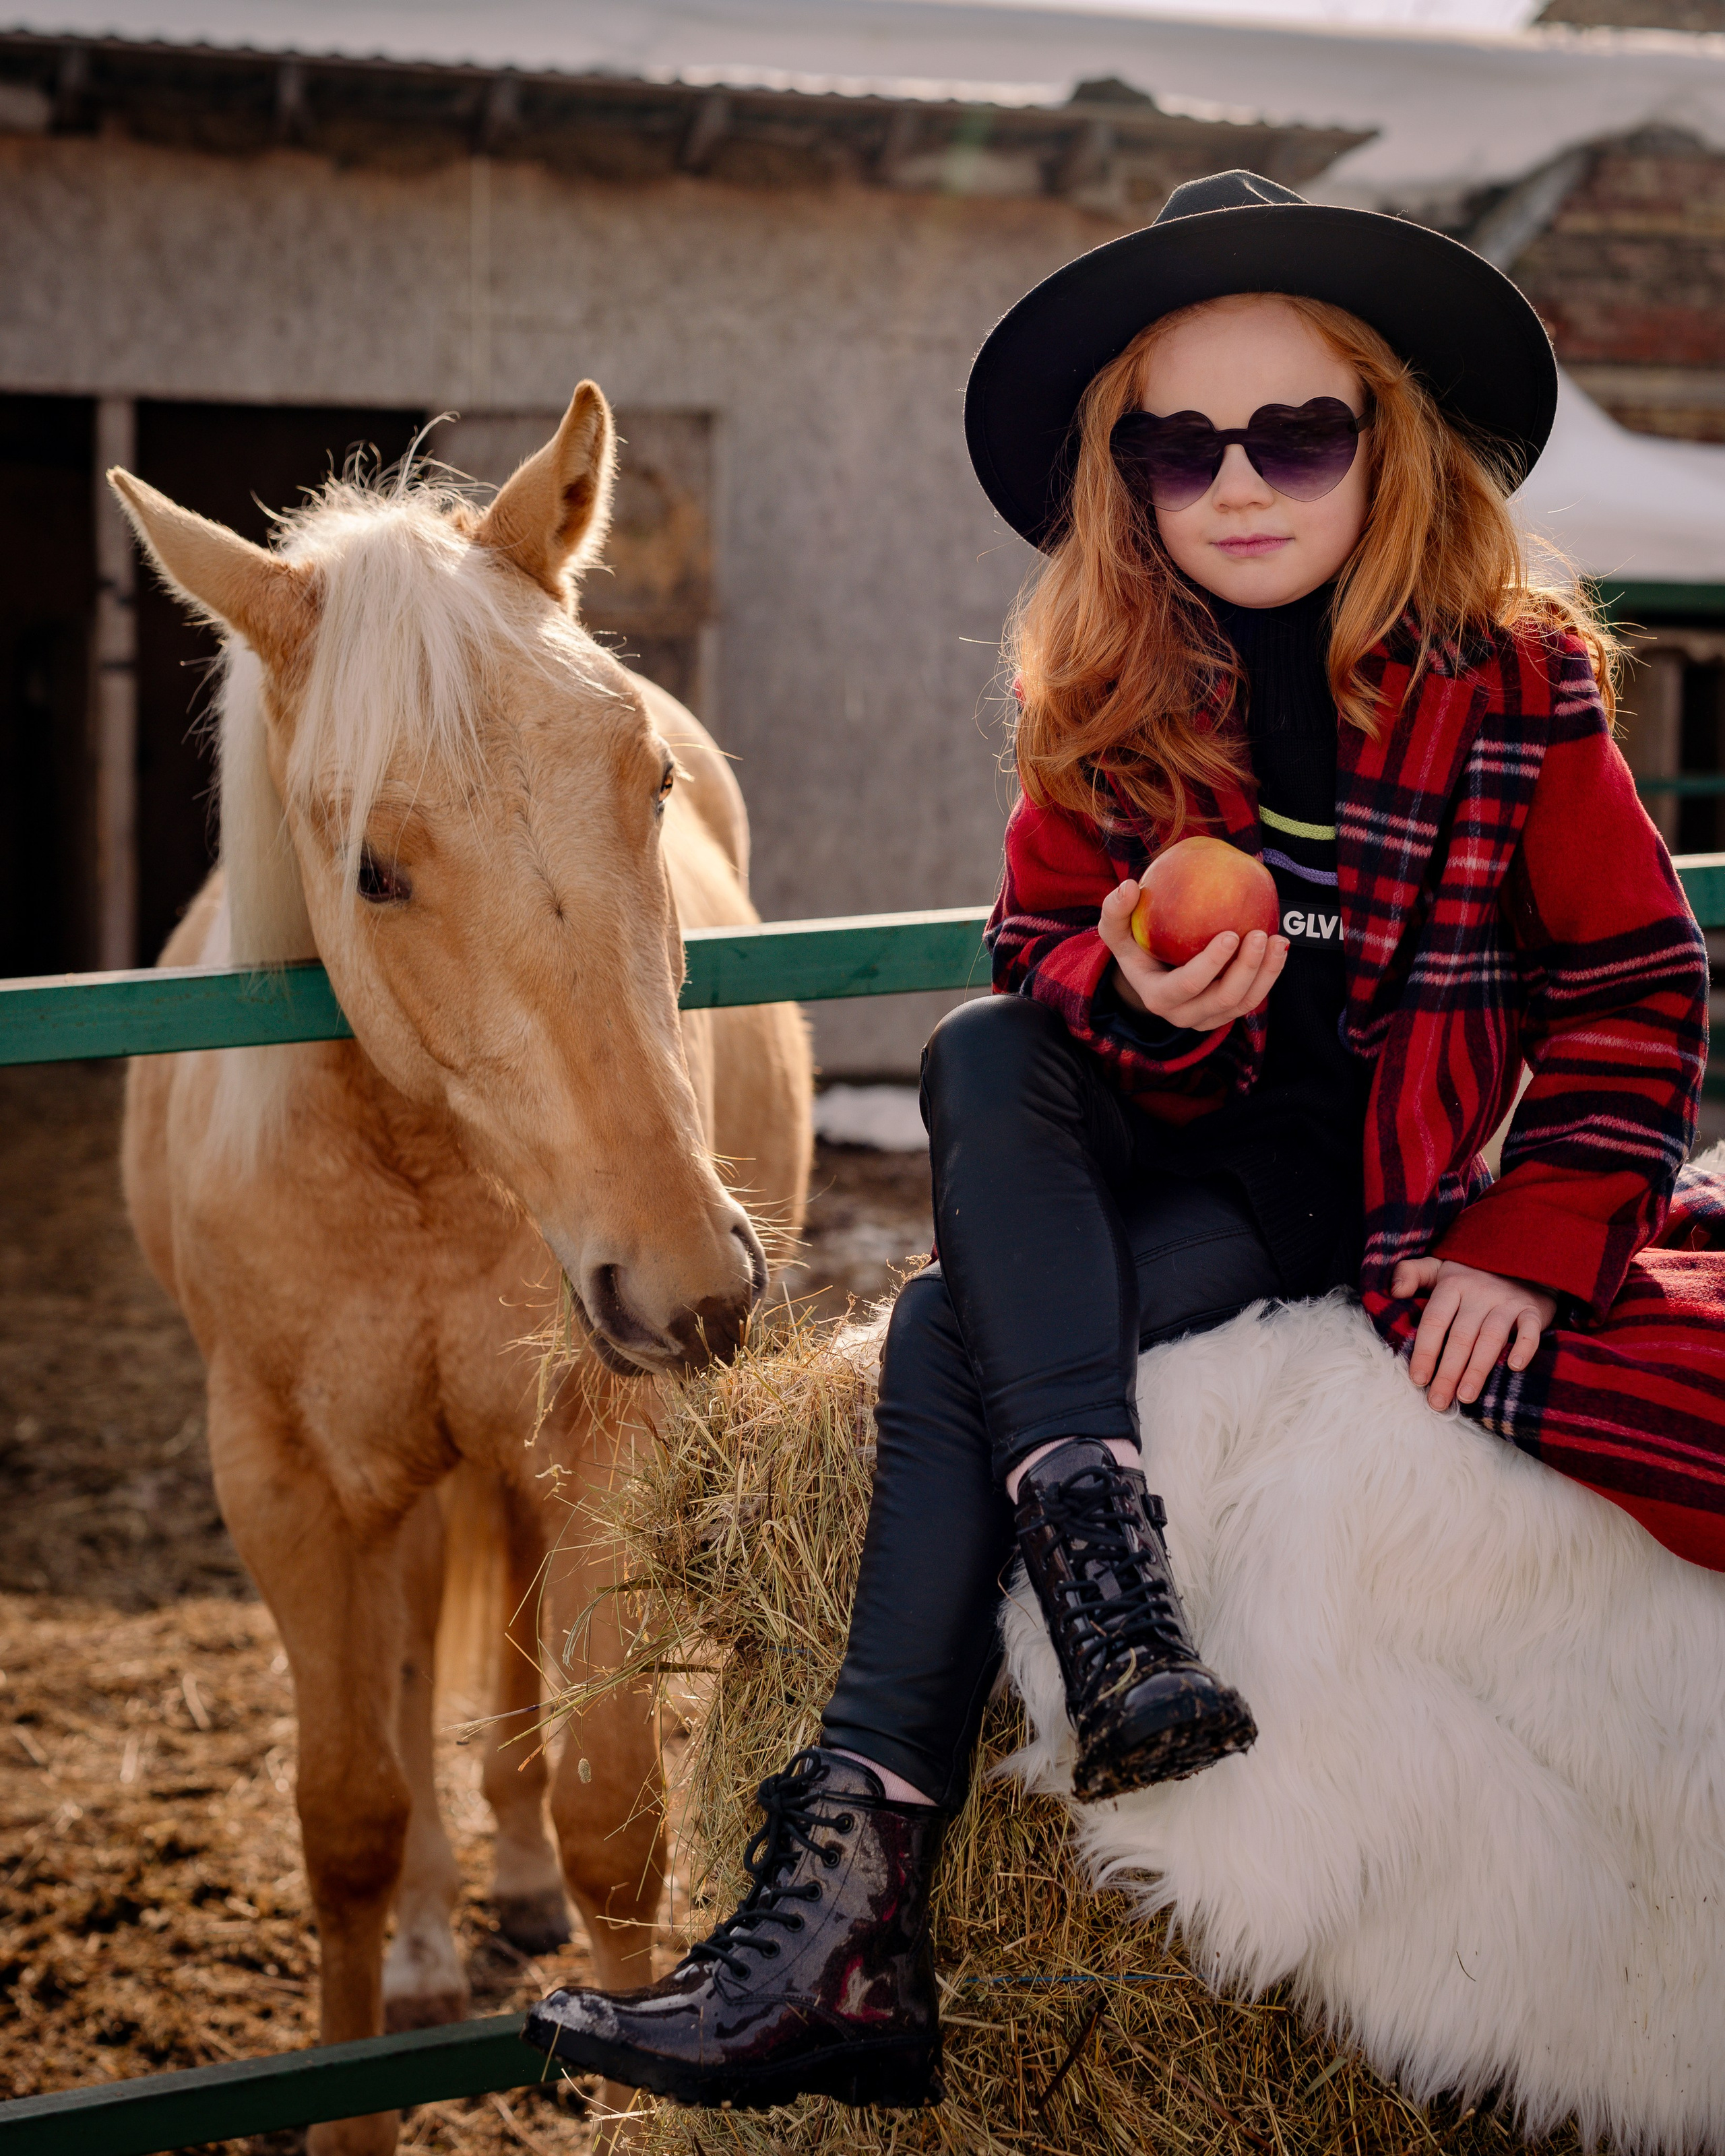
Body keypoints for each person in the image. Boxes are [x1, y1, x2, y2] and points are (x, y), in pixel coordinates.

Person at [523, 170, 1722, 2114]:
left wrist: (1534, 1231)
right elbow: (1036, 954)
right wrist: (1132, 990)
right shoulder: (1109, 688)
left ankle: (846, 1918)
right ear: (1127, 477)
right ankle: (1108, 1612)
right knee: (992, 1044)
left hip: (1342, 1192)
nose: (1238, 484)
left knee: (942, 1336)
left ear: (1386, 443)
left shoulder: (1516, 692)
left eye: (1296, 434)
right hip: (1148, 1143)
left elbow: (1636, 984)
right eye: (1180, 447)